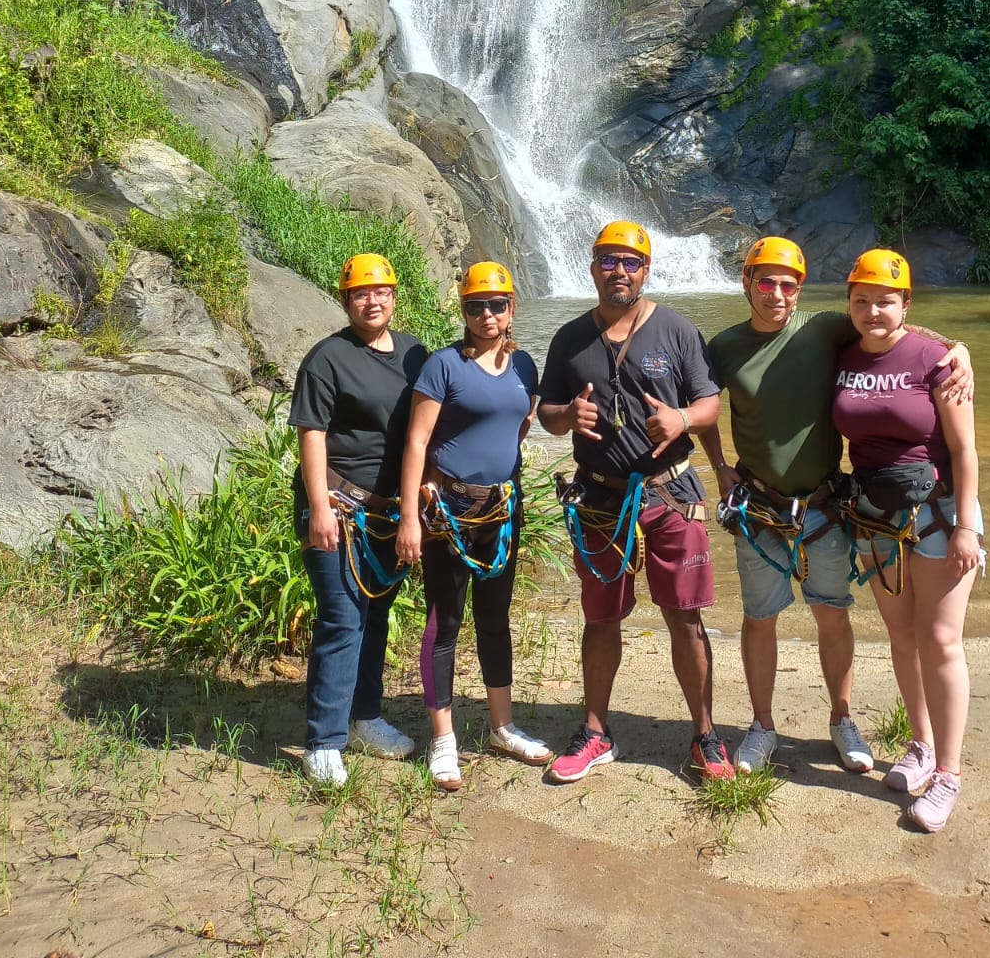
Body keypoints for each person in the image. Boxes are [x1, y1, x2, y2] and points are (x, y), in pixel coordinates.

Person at [707, 236, 971, 777]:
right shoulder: (725, 347)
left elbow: (894, 330)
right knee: (759, 618)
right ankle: (761, 725)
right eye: (765, 280)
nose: (776, 292)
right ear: (746, 282)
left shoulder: (825, 327)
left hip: (827, 504)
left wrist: (958, 347)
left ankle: (842, 718)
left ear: (800, 289)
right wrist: (716, 465)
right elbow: (702, 407)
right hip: (759, 506)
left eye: (787, 283)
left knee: (832, 614)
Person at [538, 221, 734, 784]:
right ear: (592, 265)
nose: (618, 271)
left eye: (630, 262)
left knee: (685, 618)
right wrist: (564, 417)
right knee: (601, 617)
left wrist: (681, 419)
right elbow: (548, 412)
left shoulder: (676, 331)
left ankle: (705, 735)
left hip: (668, 491)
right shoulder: (568, 338)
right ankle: (595, 732)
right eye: (608, 261)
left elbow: (709, 405)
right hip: (599, 497)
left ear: (646, 270)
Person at [833, 249, 983, 833]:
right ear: (848, 303)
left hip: (941, 515)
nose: (873, 311)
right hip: (873, 516)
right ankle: (920, 746)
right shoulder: (841, 356)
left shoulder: (937, 359)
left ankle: (948, 772)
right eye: (862, 300)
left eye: (886, 301)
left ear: (907, 304)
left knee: (941, 640)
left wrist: (967, 524)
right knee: (901, 635)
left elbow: (966, 450)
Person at [395, 262, 551, 791]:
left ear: (512, 309)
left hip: (503, 510)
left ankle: (502, 727)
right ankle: (443, 740)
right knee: (444, 622)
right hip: (448, 514)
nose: (487, 314)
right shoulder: (443, 366)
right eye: (475, 306)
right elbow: (416, 442)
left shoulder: (525, 366)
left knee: (495, 618)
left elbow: (520, 425)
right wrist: (412, 517)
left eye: (496, 304)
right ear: (463, 311)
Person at [292, 253, 425, 787]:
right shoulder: (326, 358)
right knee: (342, 619)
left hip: (389, 512)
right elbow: (311, 432)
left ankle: (365, 716)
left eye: (381, 292)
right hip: (338, 507)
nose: (372, 301)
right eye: (360, 294)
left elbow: (434, 416)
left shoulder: (416, 353)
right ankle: (323, 742)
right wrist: (320, 506)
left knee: (374, 616)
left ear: (394, 296)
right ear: (346, 301)